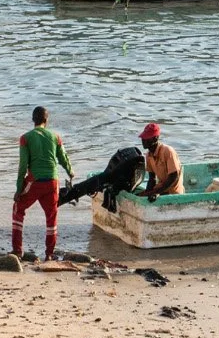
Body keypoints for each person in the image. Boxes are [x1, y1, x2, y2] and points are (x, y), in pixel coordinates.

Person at [11, 106, 72, 261]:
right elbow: (63, 158)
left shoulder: (26, 138)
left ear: (33, 120)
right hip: (53, 182)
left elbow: (23, 165)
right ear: (47, 120)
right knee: (51, 217)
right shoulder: (56, 137)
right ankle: (49, 254)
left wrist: (19, 189)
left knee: (18, 208)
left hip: (35, 181)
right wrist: (70, 172)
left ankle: (17, 250)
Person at [62, 144, 146, 212]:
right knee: (101, 181)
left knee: (100, 181)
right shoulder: (142, 158)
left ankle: (67, 194)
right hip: (117, 176)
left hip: (116, 176)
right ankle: (69, 194)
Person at [138, 123, 183, 198]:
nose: (143, 140)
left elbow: (174, 177)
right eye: (143, 138)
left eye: (146, 138)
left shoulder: (168, 151)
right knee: (141, 195)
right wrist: (147, 192)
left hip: (173, 192)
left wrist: (157, 192)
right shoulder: (148, 155)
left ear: (155, 138)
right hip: (162, 188)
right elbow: (152, 179)